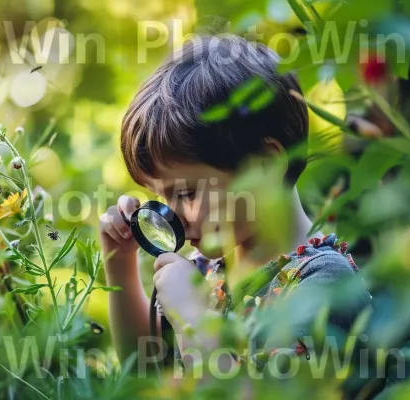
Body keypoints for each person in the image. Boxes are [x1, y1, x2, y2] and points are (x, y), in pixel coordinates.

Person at [99, 34, 372, 388]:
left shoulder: (322, 282)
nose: (174, 217)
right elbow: (146, 370)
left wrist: (195, 319)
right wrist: (119, 265)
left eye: (186, 192)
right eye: (162, 198)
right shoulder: (210, 270)